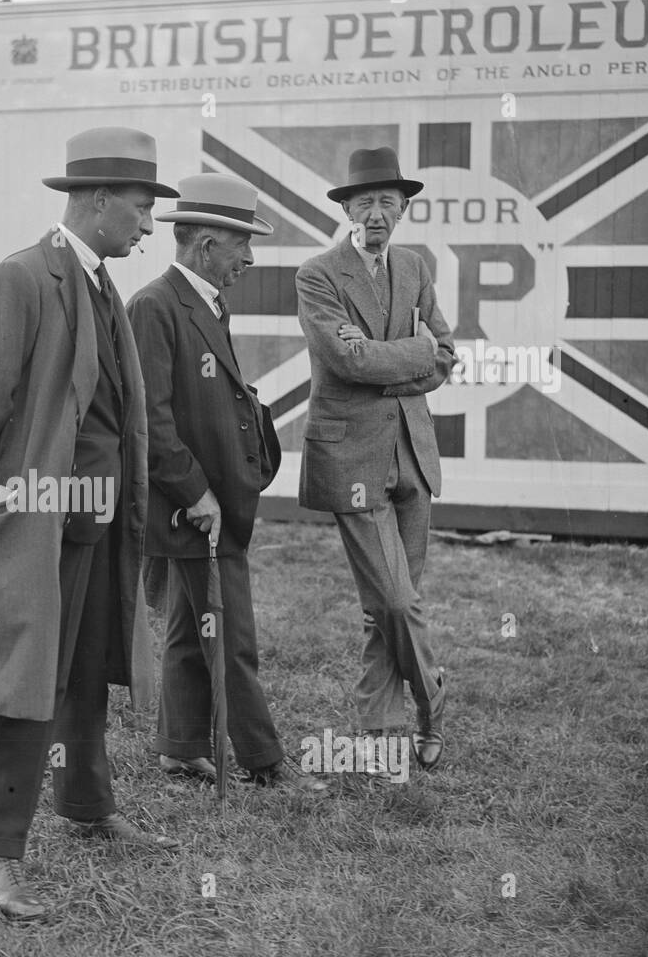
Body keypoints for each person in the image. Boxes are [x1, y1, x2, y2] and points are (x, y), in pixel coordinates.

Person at [0, 127, 182, 920]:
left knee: (86, 675)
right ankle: (1, 856)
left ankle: (88, 805)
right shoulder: (21, 279)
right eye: (142, 210)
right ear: (99, 198)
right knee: (19, 685)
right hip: (39, 524)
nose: (149, 227)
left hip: (100, 525)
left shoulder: (102, 283)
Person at [128, 173, 326, 793]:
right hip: (193, 509)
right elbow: (151, 422)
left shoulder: (205, 300)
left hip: (212, 505)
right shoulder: (155, 307)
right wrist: (197, 493)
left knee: (193, 628)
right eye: (242, 244)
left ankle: (183, 749)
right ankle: (265, 765)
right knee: (232, 638)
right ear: (207, 243)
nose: (249, 259)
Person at [294, 146, 455, 772]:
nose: (377, 213)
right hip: (351, 458)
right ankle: (432, 700)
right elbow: (348, 361)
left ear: (405, 208)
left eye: (389, 202)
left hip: (413, 453)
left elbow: (443, 354)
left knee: (389, 601)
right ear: (347, 210)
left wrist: (404, 358)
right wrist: (409, 357)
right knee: (393, 598)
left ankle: (379, 734)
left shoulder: (415, 266)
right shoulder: (318, 274)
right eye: (365, 203)